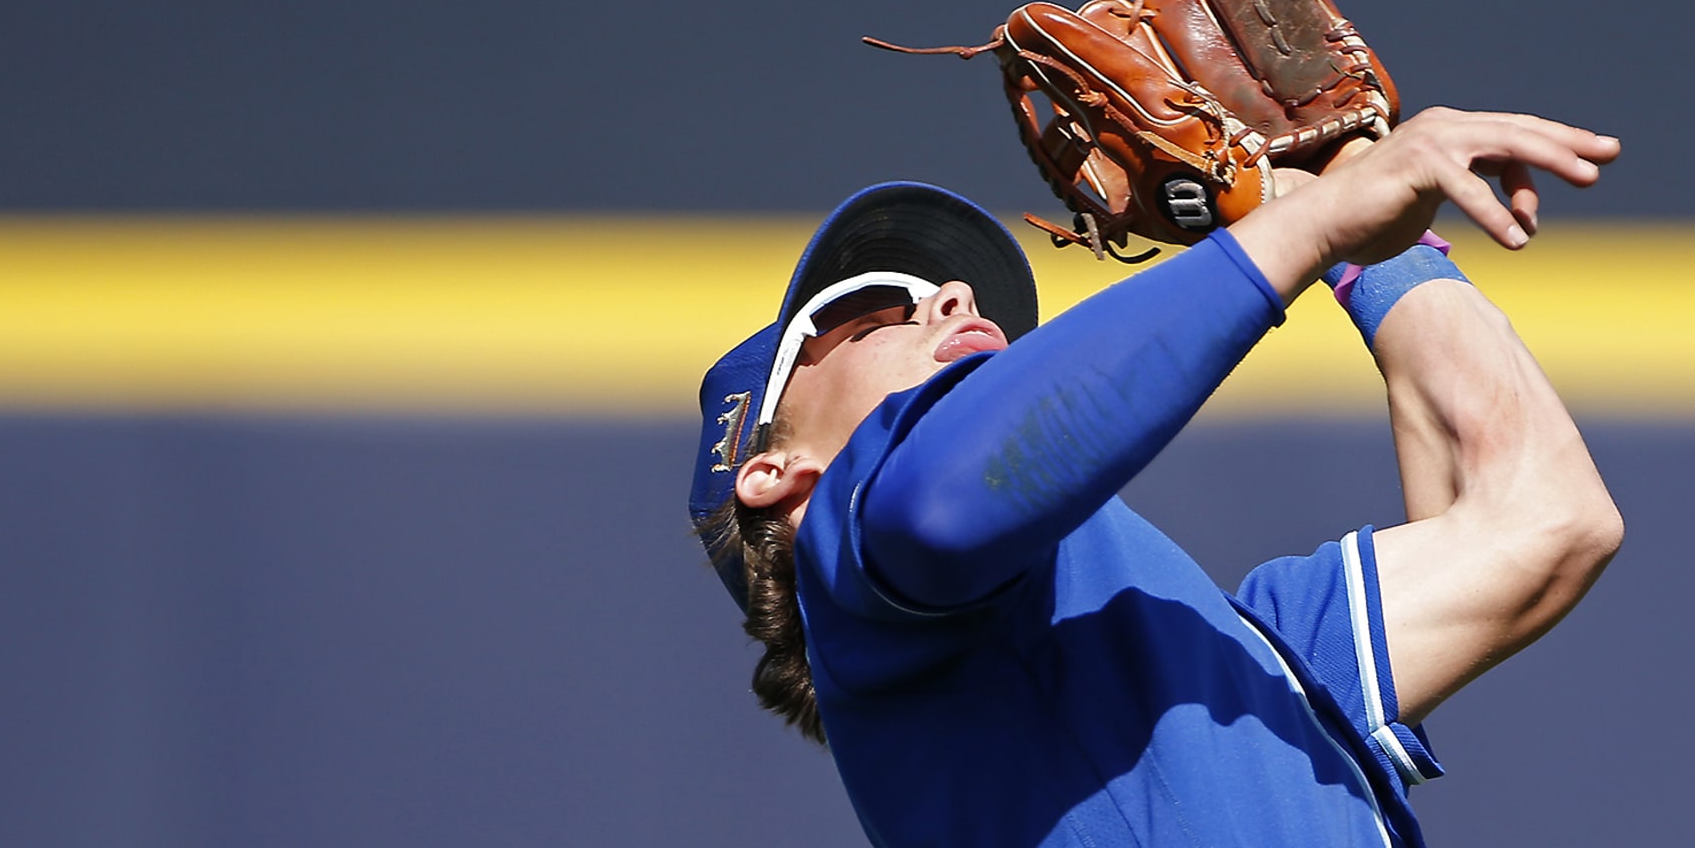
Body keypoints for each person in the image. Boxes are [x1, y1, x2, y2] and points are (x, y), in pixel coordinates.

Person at [689, 108, 1625, 847]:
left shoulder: (1235, 651)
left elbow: (1546, 521)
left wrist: (1371, 241)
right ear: (775, 471)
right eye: (874, 311)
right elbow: (940, 503)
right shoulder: (870, 599)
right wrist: (1312, 222)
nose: (954, 297)